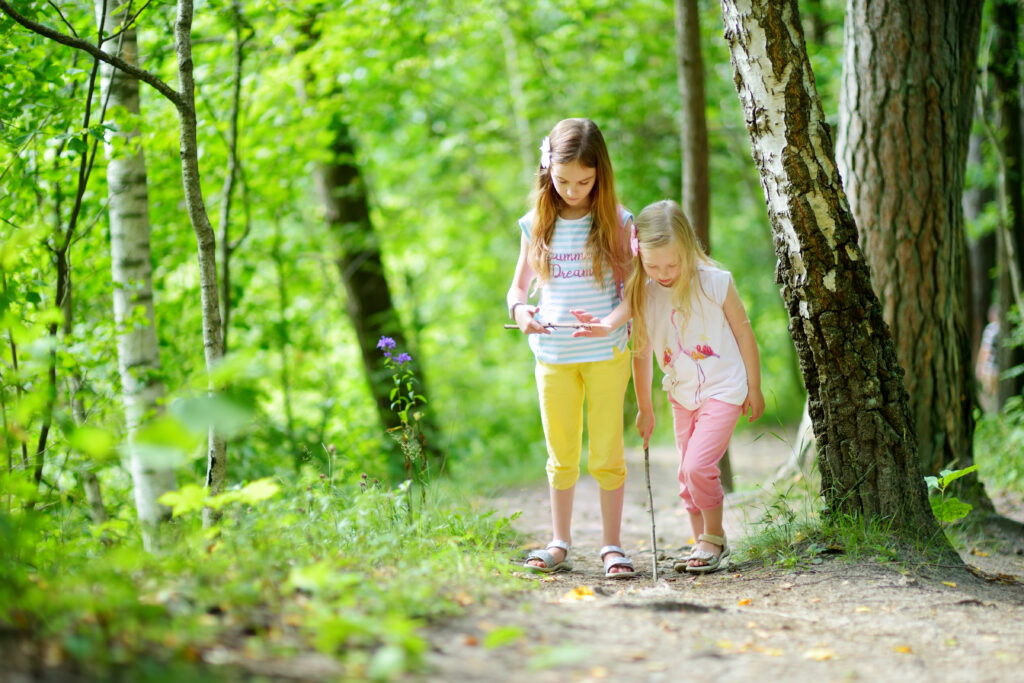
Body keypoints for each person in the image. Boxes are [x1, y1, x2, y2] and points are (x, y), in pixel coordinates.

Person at [573, 199, 764, 574]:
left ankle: (713, 537)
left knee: (696, 466)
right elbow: (640, 350)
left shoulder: (715, 283)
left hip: (724, 388)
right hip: (681, 393)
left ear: (689, 249)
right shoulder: (644, 292)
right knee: (685, 475)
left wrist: (754, 387)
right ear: (639, 255)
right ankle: (701, 546)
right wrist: (645, 407)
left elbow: (744, 332)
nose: (663, 273)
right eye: (653, 264)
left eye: (672, 264)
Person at [506, 118, 637, 578]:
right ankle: (559, 541)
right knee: (561, 454)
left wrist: (608, 325)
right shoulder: (536, 223)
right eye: (562, 181)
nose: (573, 190)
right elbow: (517, 290)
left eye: (584, 180)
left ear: (600, 173)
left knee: (606, 452)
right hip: (553, 357)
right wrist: (522, 314)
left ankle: (612, 545)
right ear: (547, 171)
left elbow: (635, 289)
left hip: (605, 355)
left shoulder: (618, 221)